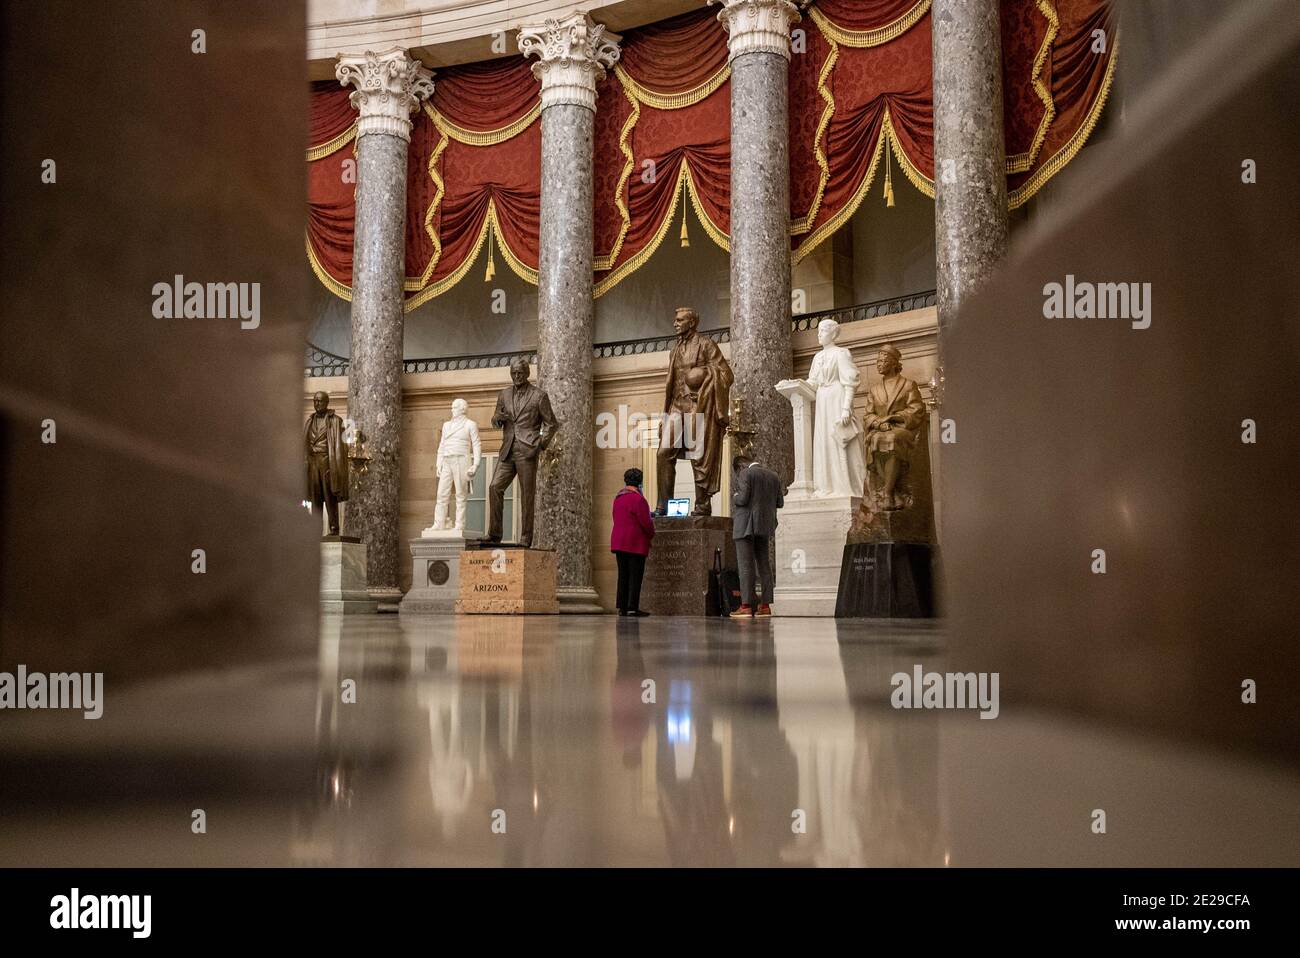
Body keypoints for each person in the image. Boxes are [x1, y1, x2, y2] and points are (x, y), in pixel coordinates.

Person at [655, 306, 733, 516]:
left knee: (698, 456)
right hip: (676, 407)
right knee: (663, 453)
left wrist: (705, 373)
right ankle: (663, 506)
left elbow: (726, 373)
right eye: (676, 319)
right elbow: (670, 386)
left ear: (691, 323)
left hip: (697, 407)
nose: (675, 323)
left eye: (680, 320)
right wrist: (664, 416)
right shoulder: (674, 350)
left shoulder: (706, 345)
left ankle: (702, 506)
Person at [486, 357, 558, 547]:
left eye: (520, 373)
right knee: (494, 487)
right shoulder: (504, 394)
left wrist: (540, 443)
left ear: (527, 373)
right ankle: (494, 534)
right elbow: (495, 419)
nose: (516, 376)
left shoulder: (539, 396)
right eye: (513, 373)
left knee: (527, 495)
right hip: (508, 449)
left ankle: (526, 538)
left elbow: (552, 423)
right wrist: (498, 419)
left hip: (527, 449)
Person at [730, 455, 783, 617]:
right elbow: (780, 503)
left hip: (745, 525)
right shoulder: (773, 475)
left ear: (740, 467)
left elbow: (743, 498)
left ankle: (746, 606)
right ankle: (765, 605)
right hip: (764, 525)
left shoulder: (746, 473)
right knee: (764, 564)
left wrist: (735, 497)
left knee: (746, 565)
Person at [431, 398, 481, 532]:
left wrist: (475, 465)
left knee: (460, 494)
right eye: (452, 407)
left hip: (461, 461)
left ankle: (459, 524)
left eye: (454, 408)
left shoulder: (470, 424)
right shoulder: (446, 425)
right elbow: (442, 445)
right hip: (447, 460)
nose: (452, 410)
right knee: (441, 494)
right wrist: (438, 464)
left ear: (462, 409)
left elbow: (476, 445)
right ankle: (439, 523)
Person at [304, 390, 349, 537]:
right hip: (312, 464)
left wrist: (337, 468)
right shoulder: (309, 421)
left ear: (327, 402)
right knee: (315, 498)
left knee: (330, 498)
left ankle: (334, 529)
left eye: (320, 401)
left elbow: (341, 448)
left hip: (328, 463)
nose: (317, 403)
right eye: (315, 401)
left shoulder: (336, 421)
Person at [611, 468, 654, 617]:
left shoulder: (618, 498)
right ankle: (632, 607)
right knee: (635, 576)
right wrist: (651, 534)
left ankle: (622, 607)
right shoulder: (638, 499)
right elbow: (646, 523)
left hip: (619, 542)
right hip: (635, 543)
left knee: (623, 575)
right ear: (640, 481)